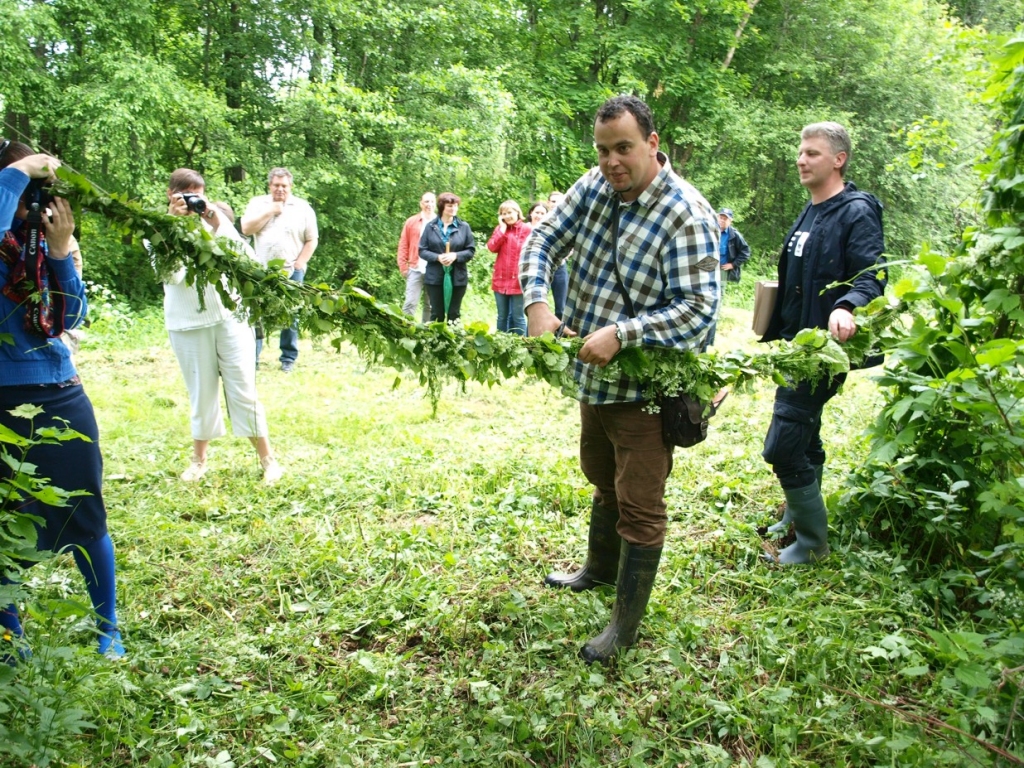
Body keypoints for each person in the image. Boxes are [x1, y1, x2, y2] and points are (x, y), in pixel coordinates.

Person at [520, 96, 719, 663]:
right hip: (595, 378)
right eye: (604, 150)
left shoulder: (686, 214)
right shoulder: (594, 185)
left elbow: (699, 310)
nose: (612, 161)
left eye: (624, 148)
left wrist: (623, 334)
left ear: (653, 144)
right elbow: (544, 239)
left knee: (640, 501)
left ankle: (623, 630)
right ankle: (598, 571)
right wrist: (536, 299)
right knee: (600, 471)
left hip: (649, 391)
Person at [0, 139, 124, 658]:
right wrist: (15, 173)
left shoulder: (43, 245)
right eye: (26, 196)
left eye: (39, 197)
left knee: (85, 514)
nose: (35, 208)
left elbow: (70, 319)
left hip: (57, 390)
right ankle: (10, 638)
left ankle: (108, 627)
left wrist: (59, 252)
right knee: (3, 524)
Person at [760, 122, 886, 564]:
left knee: (784, 440)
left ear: (839, 159)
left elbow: (874, 271)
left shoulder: (856, 210)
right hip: (796, 347)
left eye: (812, 153)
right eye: (800, 152)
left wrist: (848, 305)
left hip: (825, 352)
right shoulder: (810, 210)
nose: (801, 159)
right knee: (803, 428)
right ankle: (797, 517)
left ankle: (812, 544)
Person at [162, 169, 283, 484]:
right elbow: (171, 274)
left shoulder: (216, 224)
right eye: (186, 195)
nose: (192, 202)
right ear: (171, 195)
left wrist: (217, 222)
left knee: (244, 388)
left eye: (198, 195)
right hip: (188, 325)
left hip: (230, 319)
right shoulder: (158, 230)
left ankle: (268, 459)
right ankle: (198, 461)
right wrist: (176, 225)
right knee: (201, 393)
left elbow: (249, 261)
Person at [241, 168, 318, 372]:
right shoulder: (258, 204)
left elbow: (312, 239)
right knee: (255, 313)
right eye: (276, 185)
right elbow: (246, 229)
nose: (280, 189)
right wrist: (271, 211)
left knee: (290, 315)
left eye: (284, 186)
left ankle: (288, 359)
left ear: (290, 186)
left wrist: (300, 263)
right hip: (260, 270)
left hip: (292, 270)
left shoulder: (303, 208)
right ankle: (253, 358)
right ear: (270, 186)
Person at [419, 192, 475, 323]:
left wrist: (455, 256)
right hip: (434, 277)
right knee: (436, 314)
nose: (454, 208)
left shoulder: (464, 227)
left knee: (454, 314)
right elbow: (422, 250)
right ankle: (436, 342)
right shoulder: (431, 227)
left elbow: (470, 251)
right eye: (450, 206)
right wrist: (438, 257)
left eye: (455, 205)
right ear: (442, 207)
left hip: (458, 277)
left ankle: (453, 342)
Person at [702, 207, 751, 349]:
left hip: (722, 269)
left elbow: (746, 252)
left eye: (725, 218)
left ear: (730, 221)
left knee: (715, 303)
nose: (722, 220)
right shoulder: (710, 229)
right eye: (720, 217)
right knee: (701, 298)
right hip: (707, 266)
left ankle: (708, 342)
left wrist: (733, 264)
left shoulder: (734, 235)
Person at [486, 200, 531, 335]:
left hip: (518, 280)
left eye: (510, 212)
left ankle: (522, 347)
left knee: (518, 317)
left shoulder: (527, 229)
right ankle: (501, 345)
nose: (507, 216)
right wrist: (502, 230)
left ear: (517, 212)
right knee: (502, 317)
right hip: (500, 279)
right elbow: (492, 247)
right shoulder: (500, 229)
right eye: (503, 214)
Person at [397, 192, 436, 322]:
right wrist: (403, 266)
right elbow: (403, 244)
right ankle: (404, 332)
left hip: (434, 270)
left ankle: (426, 335)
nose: (429, 205)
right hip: (415, 269)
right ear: (421, 204)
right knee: (409, 304)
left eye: (431, 202)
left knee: (430, 306)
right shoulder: (411, 222)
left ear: (435, 204)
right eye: (426, 202)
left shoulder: (441, 223)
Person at [546, 191, 570, 320]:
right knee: (537, 305)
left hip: (559, 267)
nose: (556, 204)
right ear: (548, 203)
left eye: (559, 201)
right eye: (553, 201)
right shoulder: (541, 219)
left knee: (561, 307)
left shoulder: (567, 221)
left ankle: (561, 336)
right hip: (543, 266)